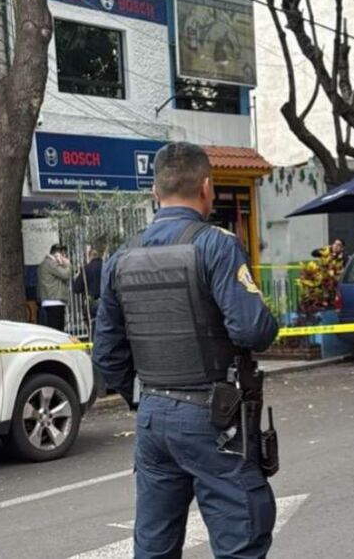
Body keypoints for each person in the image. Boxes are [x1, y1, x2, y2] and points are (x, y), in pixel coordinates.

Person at [94, 142, 279, 559]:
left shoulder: (121, 256)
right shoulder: (215, 244)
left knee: (155, 546)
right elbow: (252, 330)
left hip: (153, 415)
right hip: (215, 417)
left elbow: (106, 353)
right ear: (207, 188)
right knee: (241, 541)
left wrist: (144, 397)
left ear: (154, 193)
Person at [38, 245, 72, 332]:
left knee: (56, 329)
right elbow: (66, 275)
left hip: (52, 301)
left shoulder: (47, 263)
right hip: (54, 301)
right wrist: (68, 265)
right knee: (57, 330)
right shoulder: (51, 263)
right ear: (57, 255)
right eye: (63, 255)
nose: (64, 258)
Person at [73, 248, 104, 335]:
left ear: (89, 257)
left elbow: (76, 288)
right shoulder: (106, 267)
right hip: (106, 301)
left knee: (92, 326)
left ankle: (94, 345)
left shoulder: (86, 269)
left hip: (91, 302)